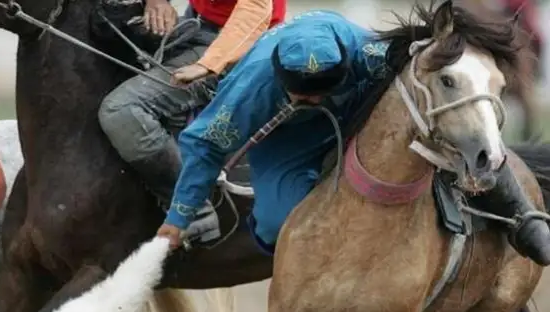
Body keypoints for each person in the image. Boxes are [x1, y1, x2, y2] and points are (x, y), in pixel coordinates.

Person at [155, 9, 550, 267]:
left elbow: (422, 68)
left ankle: (524, 217)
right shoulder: (250, 86)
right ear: (277, 76)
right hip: (288, 143)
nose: (307, 100)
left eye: (316, 92)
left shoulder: (370, 54)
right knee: (278, 225)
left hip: (357, 116)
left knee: (461, 126)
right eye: (298, 93)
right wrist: (177, 219)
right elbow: (203, 145)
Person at [98, 0, 286, 245]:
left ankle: (192, 209)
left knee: (121, 110)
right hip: (197, 23)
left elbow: (256, 9)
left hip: (242, 43)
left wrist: (208, 64)